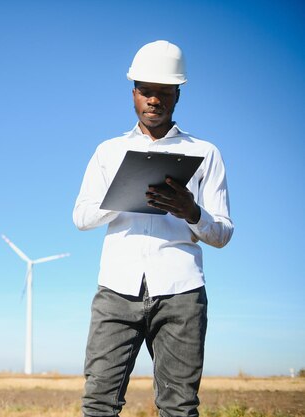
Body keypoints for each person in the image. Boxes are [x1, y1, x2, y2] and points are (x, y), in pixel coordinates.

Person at [73, 40, 234, 417]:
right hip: (116, 291)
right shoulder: (108, 151)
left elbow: (223, 233)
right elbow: (80, 218)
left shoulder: (205, 153)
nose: (154, 101)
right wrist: (121, 194)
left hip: (182, 292)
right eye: (146, 91)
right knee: (98, 404)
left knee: (179, 407)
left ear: (178, 95)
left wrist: (191, 211)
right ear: (133, 93)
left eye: (164, 93)